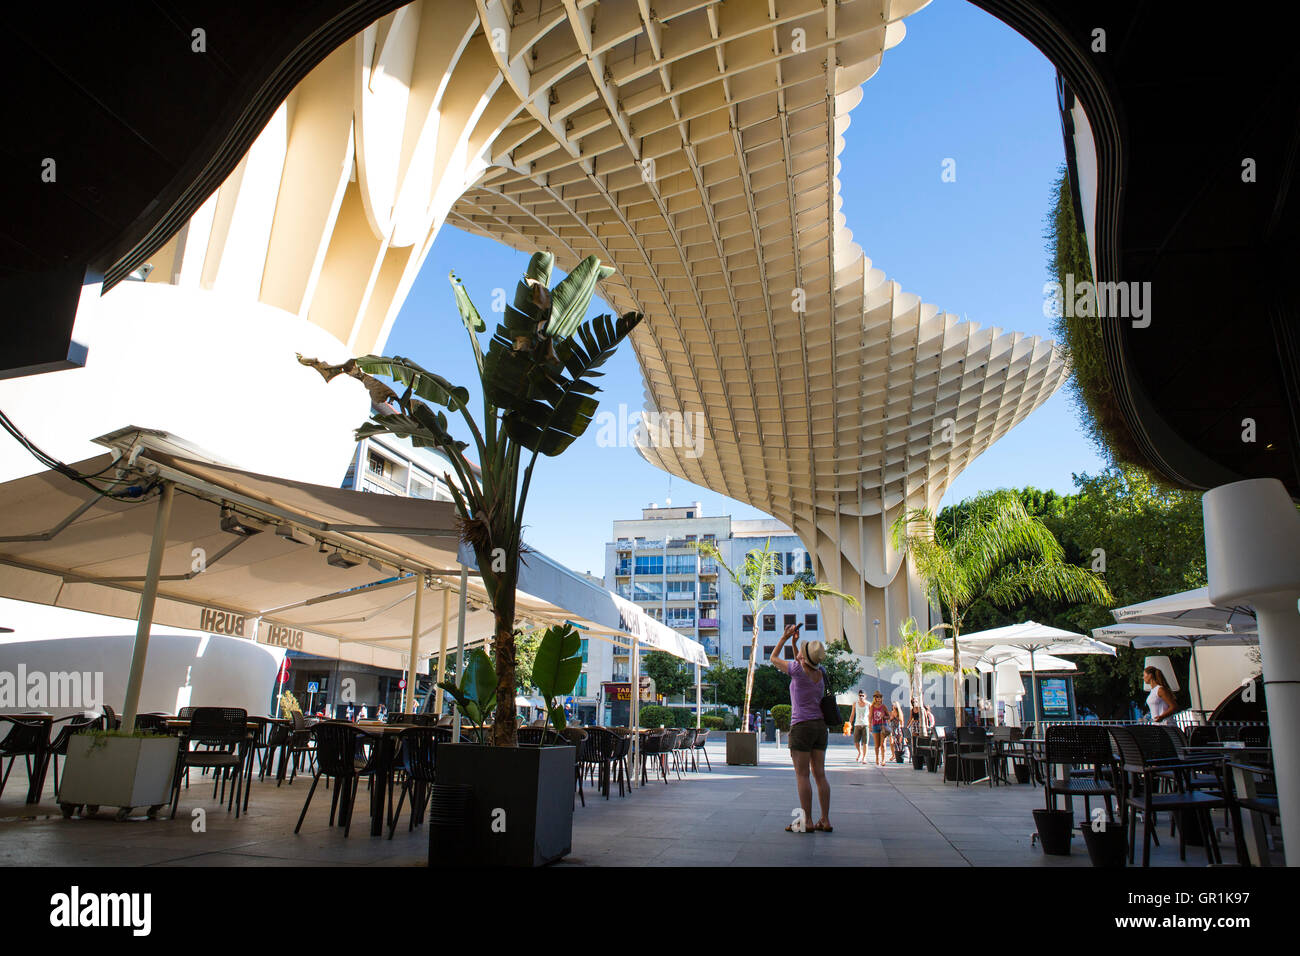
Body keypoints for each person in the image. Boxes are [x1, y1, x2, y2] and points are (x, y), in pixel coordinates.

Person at [771, 623, 831, 833]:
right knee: (820, 775)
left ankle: (806, 821)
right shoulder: (820, 673)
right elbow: (803, 663)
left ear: (804, 658)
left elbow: (773, 658)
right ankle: (825, 819)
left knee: (802, 775)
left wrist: (785, 638)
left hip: (801, 726)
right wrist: (797, 646)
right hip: (819, 726)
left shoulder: (797, 670)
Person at [848, 690, 871, 763]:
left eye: (862, 695)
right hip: (857, 724)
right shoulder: (855, 704)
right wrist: (849, 724)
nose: (861, 697)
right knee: (856, 742)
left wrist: (871, 725)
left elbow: (871, 716)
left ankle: (864, 757)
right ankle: (860, 752)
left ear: (865, 696)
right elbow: (852, 714)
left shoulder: (868, 704)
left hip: (865, 724)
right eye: (860, 695)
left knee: (865, 742)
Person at [868, 691, 889, 767]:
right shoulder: (872, 707)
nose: (878, 698)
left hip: (883, 725)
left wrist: (884, 717)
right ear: (875, 698)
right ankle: (877, 758)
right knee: (877, 745)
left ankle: (883, 759)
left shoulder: (883, 706)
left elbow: (889, 716)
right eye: (877, 697)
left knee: (882, 744)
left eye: (879, 697)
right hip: (875, 726)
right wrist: (869, 725)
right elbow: (870, 717)